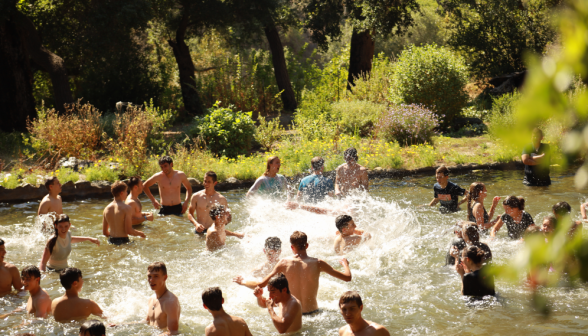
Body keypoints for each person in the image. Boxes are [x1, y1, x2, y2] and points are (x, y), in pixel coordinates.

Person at [254, 231, 352, 314]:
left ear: (292, 247)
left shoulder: (284, 263)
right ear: (307, 245)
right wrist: (345, 265)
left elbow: (261, 284)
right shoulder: (318, 263)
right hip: (314, 313)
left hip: (292, 315)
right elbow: (347, 277)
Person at [102, 181, 146, 245]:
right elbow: (129, 230)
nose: (127, 193)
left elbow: (105, 233)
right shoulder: (126, 208)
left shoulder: (106, 209)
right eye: (126, 191)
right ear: (121, 193)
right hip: (123, 241)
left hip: (111, 241)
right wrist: (141, 233)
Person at [145, 262, 181, 335]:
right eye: (149, 276)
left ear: (165, 278)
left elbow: (173, 332)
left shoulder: (170, 302)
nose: (151, 280)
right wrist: (121, 325)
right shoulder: (151, 299)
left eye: (156, 276)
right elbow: (147, 321)